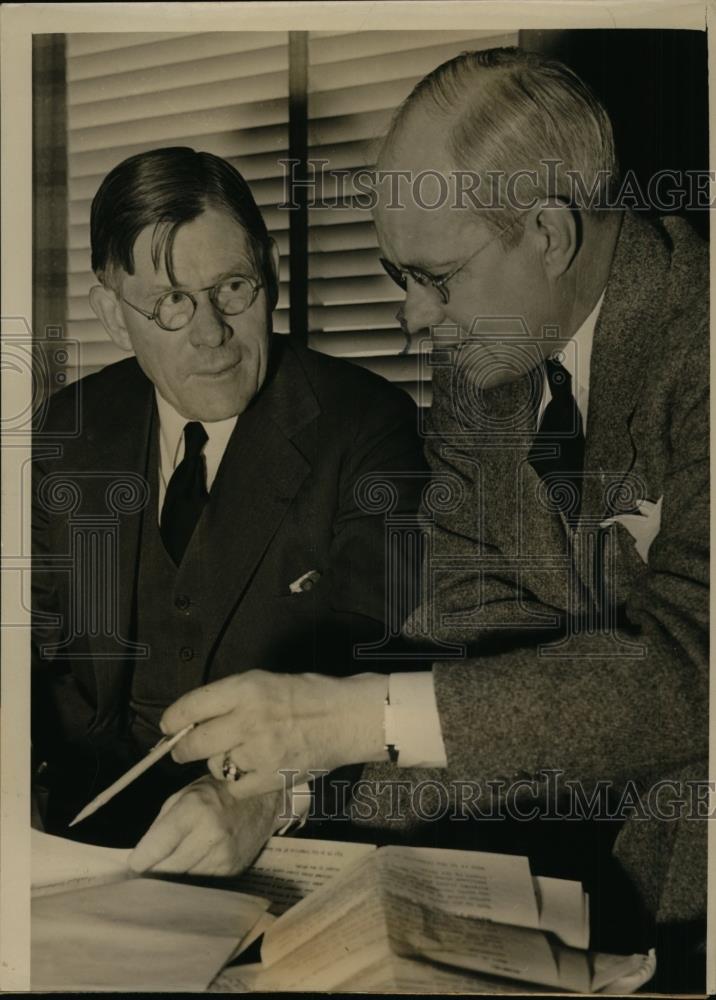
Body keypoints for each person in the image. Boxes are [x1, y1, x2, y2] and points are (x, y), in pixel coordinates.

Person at [159, 49, 708, 980]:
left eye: (437, 279)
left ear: (548, 233)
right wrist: (286, 786)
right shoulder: (481, 372)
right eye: (394, 275)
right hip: (587, 880)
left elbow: (692, 669)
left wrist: (345, 721)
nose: (414, 319)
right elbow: (464, 631)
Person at [31, 146, 427, 875]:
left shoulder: (368, 427)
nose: (211, 333)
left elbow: (388, 679)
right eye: (171, 303)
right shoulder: (65, 431)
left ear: (270, 277)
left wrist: (272, 793)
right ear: (114, 318)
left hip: (282, 847)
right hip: (78, 856)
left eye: (233, 288)